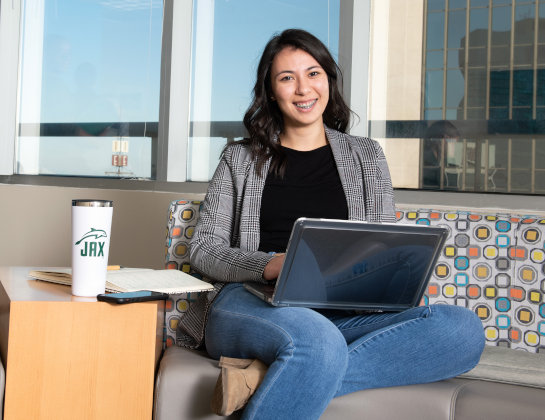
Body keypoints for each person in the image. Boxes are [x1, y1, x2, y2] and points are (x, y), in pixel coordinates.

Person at [178, 29, 485, 420]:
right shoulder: (240, 158)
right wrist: (271, 264)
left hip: (343, 312)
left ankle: (267, 378)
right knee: (317, 339)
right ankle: (304, 363)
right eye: (287, 78)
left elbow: (384, 243)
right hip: (252, 301)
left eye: (314, 73)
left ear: (328, 80)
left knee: (462, 331)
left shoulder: (367, 155)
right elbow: (203, 249)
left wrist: (386, 273)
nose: (303, 88)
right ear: (271, 91)